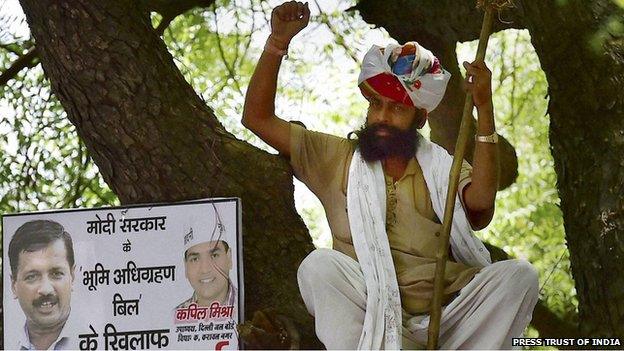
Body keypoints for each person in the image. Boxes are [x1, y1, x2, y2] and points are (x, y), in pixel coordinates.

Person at [242, 1, 539, 349]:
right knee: (318, 267)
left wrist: (484, 110)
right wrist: (277, 43)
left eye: (397, 107)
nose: (381, 117)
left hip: (448, 317)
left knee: (518, 277)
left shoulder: (441, 167)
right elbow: (257, 119)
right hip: (370, 316)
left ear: (420, 119)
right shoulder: (337, 157)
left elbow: (481, 203)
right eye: (376, 104)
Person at [9, 220, 77, 350]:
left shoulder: (99, 337)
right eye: (32, 277)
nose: (46, 290)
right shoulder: (7, 344)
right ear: (14, 286)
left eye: (56, 273)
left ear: (72, 277)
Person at [176, 227, 236, 309]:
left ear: (229, 258)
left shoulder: (249, 307)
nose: (205, 270)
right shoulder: (173, 316)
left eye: (214, 255)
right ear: (185, 266)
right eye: (195, 259)